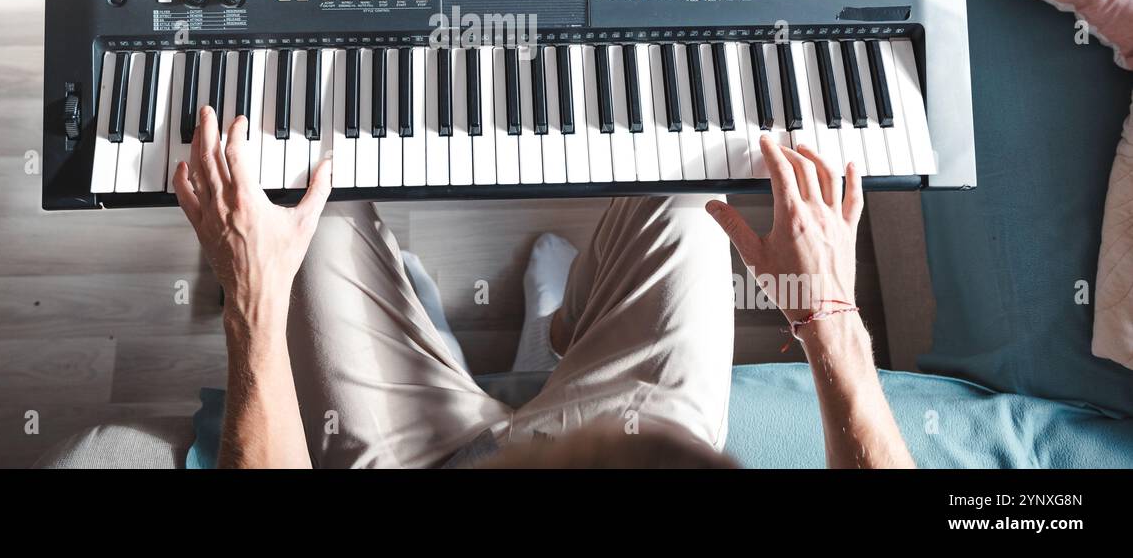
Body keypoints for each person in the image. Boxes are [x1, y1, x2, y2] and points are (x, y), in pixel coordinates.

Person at [175, 104, 914, 468]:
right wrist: (830, 315)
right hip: (633, 433)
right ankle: (555, 343)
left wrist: (251, 300)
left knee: (304, 196)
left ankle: (443, 344)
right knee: (688, 185)